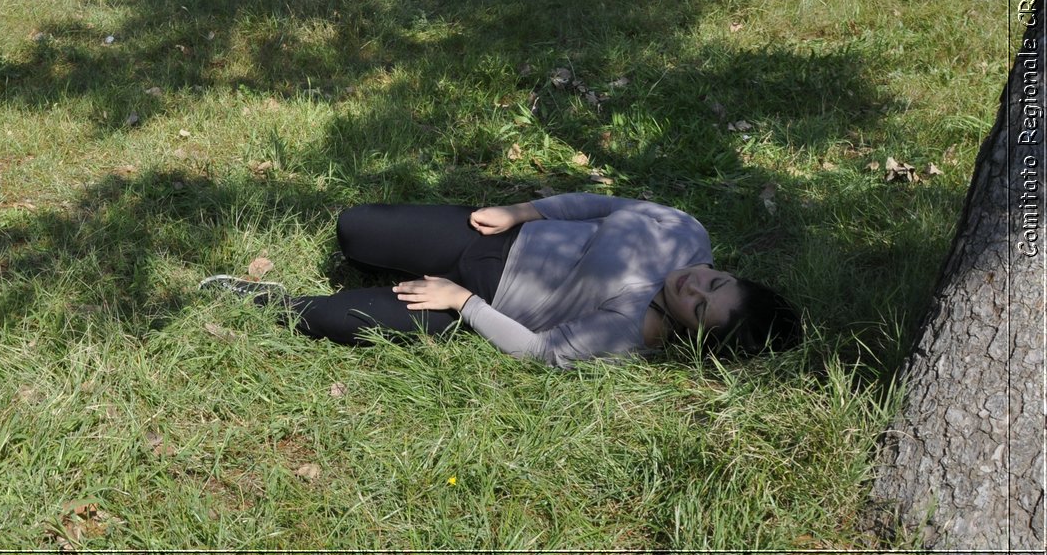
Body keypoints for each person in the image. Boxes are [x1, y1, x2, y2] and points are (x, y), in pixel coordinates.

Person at [202, 194, 800, 368]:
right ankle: (388, 261)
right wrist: (524, 212)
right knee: (355, 229)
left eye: (700, 308)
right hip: (495, 240)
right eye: (715, 282)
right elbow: (602, 203)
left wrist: (461, 302)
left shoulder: (637, 331)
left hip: (477, 300)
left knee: (331, 318)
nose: (694, 286)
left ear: (695, 336)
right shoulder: (685, 231)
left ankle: (264, 303)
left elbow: (541, 350)